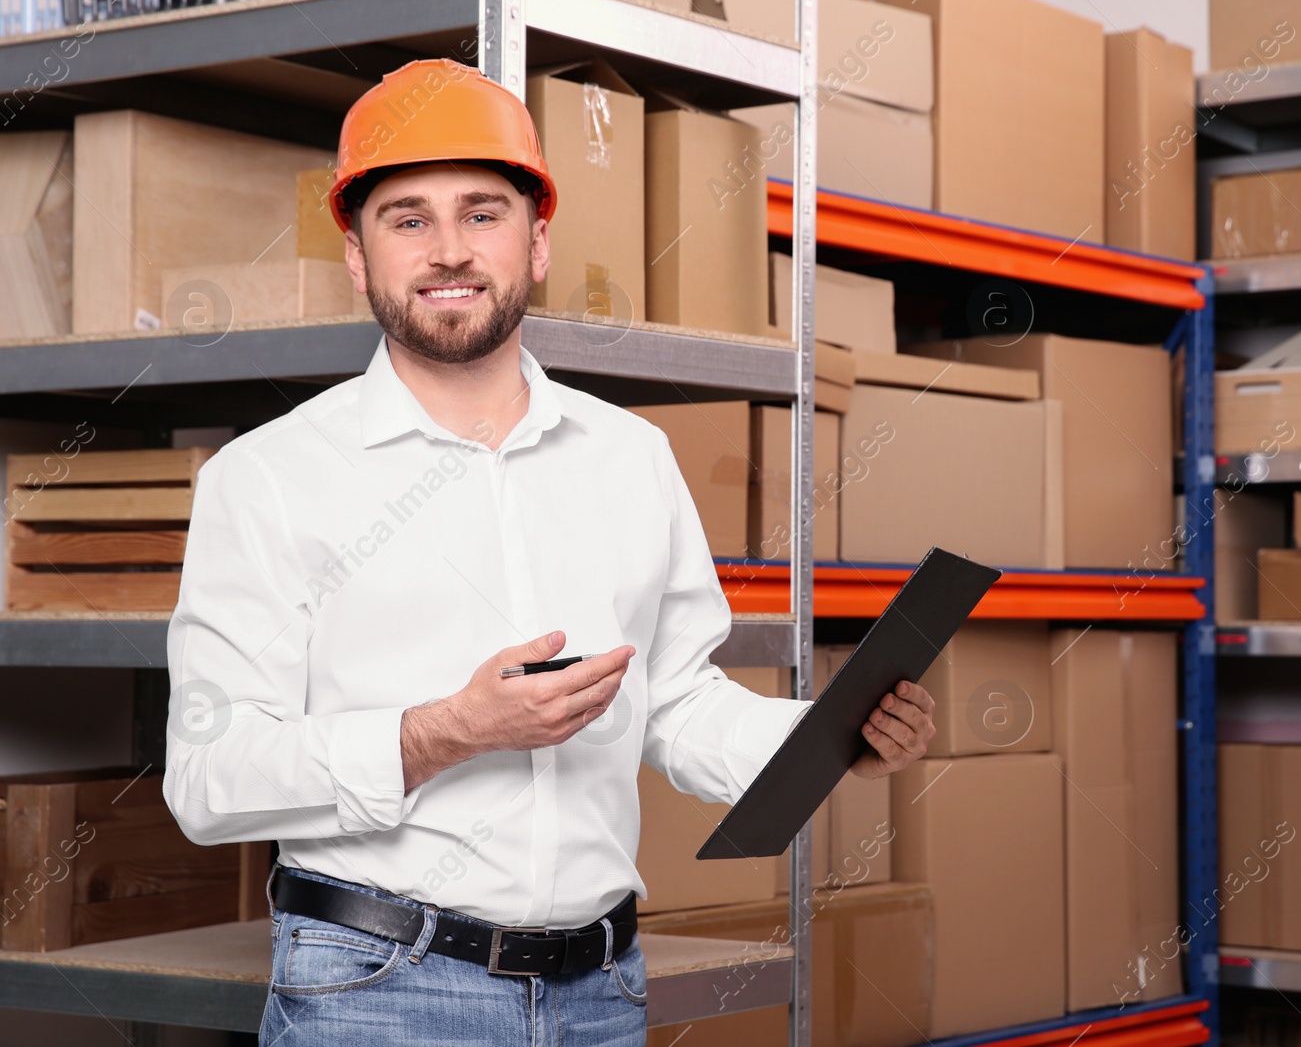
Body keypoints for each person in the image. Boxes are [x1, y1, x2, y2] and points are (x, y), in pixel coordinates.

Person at [162, 58, 937, 1046]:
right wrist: (443, 729)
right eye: (407, 218)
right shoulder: (267, 475)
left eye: (483, 213)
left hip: (598, 989)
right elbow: (208, 773)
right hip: (380, 990)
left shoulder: (630, 457)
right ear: (357, 257)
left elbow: (676, 701)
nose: (449, 249)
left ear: (536, 244)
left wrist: (835, 738)